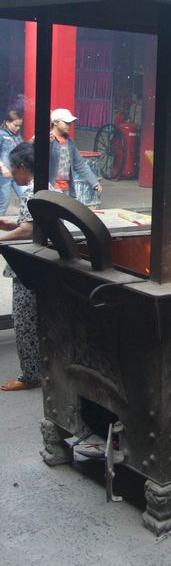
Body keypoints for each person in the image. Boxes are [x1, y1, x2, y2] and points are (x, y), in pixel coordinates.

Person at [0, 143, 41, 391]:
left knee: (24, 320)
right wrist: (9, 224)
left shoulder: (29, 192)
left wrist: (2, 237)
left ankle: (31, 375)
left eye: (13, 169)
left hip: (27, 264)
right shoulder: (45, 187)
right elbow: (28, 222)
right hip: (43, 262)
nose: (12, 174)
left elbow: (28, 229)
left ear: (23, 168)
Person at [49, 108, 102, 200]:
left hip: (66, 188)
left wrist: (94, 182)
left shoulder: (69, 142)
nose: (69, 126)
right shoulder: (48, 139)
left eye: (70, 123)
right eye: (66, 123)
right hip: (51, 187)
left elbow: (80, 164)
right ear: (55, 122)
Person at [0, 110, 25, 215]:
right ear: (7, 122)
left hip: (17, 173)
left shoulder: (17, 136)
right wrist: (3, 167)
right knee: (3, 202)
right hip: (4, 174)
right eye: (15, 125)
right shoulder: (2, 135)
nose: (18, 128)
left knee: (25, 197)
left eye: (20, 126)